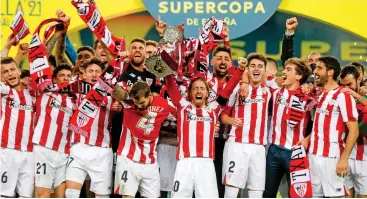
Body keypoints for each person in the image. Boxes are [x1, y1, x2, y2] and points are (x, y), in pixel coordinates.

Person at [298, 56, 359, 197]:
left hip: (332, 158)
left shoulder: (343, 96)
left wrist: (344, 158)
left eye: (319, 68)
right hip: (314, 155)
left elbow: (354, 131)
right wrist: (308, 139)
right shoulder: (321, 95)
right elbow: (319, 126)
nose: (315, 72)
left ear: (330, 72)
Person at [65, 58, 122, 198]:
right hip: (78, 147)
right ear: (83, 74)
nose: (94, 74)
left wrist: (118, 109)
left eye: (98, 71)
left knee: (101, 195)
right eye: (90, 71)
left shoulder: (111, 98)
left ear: (102, 75)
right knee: (71, 193)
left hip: (101, 151)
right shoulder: (75, 95)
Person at [221, 53, 271, 198]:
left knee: (256, 191)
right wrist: (231, 121)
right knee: (231, 190)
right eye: (253, 66)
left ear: (265, 71)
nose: (256, 69)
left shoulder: (269, 91)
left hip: (259, 147)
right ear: (247, 69)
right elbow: (223, 115)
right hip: (237, 145)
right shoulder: (236, 90)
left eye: (260, 66)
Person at [114, 81, 176, 198]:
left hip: (150, 162)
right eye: (136, 103)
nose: (139, 106)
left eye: (142, 102)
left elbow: (182, 113)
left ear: (150, 96)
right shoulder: (127, 101)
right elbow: (112, 85)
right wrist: (125, 87)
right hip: (128, 159)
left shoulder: (164, 104)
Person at [263, 58, 312, 197]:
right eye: (284, 68)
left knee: (296, 196)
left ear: (298, 76)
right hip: (274, 150)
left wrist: (310, 85)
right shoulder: (275, 93)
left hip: (295, 153)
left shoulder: (308, 98)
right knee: (267, 194)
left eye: (289, 69)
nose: (283, 71)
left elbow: (319, 123)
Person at [32, 64, 75, 198]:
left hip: (64, 153)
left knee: (61, 196)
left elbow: (74, 126)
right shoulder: (44, 93)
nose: (66, 78)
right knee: (43, 195)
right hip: (44, 149)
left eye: (69, 76)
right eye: (62, 75)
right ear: (54, 79)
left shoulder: (75, 102)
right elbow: (38, 66)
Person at [0, 57, 34, 198]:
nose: (10, 74)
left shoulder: (31, 94)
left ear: (19, 71)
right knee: (5, 195)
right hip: (7, 150)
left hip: (29, 152)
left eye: (13, 69)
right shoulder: (4, 92)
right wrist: (7, 46)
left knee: (26, 196)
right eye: (5, 72)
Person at [339, 65, 367, 198]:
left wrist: (356, 95)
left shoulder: (364, 96)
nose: (346, 89)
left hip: (364, 158)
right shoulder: (339, 98)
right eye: (343, 85)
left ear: (359, 80)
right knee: (346, 196)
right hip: (344, 156)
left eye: (349, 84)